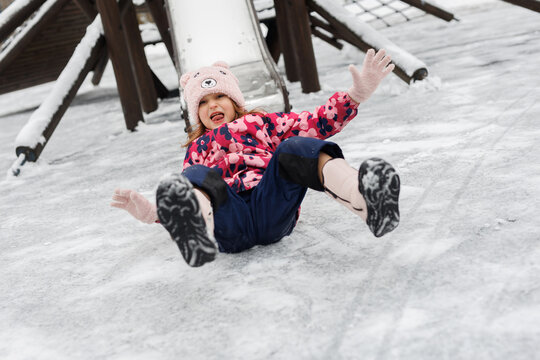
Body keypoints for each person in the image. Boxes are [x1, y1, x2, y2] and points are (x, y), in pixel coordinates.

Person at [111, 49, 400, 268]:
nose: (213, 105)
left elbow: (317, 122)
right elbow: (184, 199)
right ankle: (196, 234)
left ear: (235, 100)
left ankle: (364, 199)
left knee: (296, 147)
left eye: (219, 97)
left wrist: (354, 96)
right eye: (203, 102)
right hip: (228, 222)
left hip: (271, 206)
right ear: (195, 114)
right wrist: (154, 214)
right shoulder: (197, 147)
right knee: (195, 176)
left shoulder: (263, 123)